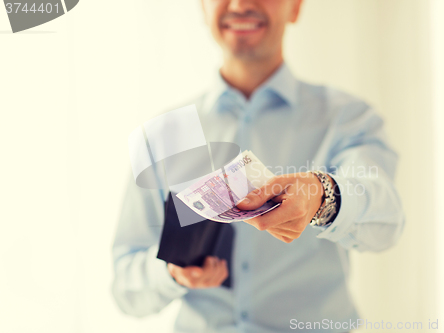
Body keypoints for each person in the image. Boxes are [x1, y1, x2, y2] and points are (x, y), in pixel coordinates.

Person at [112, 0, 405, 332]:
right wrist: (171, 272)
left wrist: (322, 195)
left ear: (295, 7)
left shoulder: (349, 119)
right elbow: (125, 287)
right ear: (202, 7)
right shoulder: (163, 136)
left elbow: (386, 218)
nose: (239, 4)